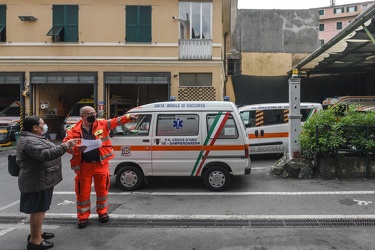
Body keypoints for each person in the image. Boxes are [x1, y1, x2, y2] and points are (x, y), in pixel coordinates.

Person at [63, 106, 137, 229]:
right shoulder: (72, 130)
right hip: (83, 166)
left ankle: (102, 213)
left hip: (100, 164)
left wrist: (128, 117)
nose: (93, 115)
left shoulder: (102, 124)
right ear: (82, 116)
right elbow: (66, 146)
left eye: (94, 113)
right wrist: (76, 149)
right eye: (90, 114)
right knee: (82, 194)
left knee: (102, 191)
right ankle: (82, 218)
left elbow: (116, 121)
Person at [16, 116, 77, 250]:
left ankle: (38, 233)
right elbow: (45, 154)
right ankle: (35, 241)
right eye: (43, 124)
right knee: (38, 210)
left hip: (41, 178)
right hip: (36, 180)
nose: (45, 125)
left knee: (40, 209)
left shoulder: (33, 137)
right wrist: (66, 145)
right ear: (35, 127)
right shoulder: (30, 140)